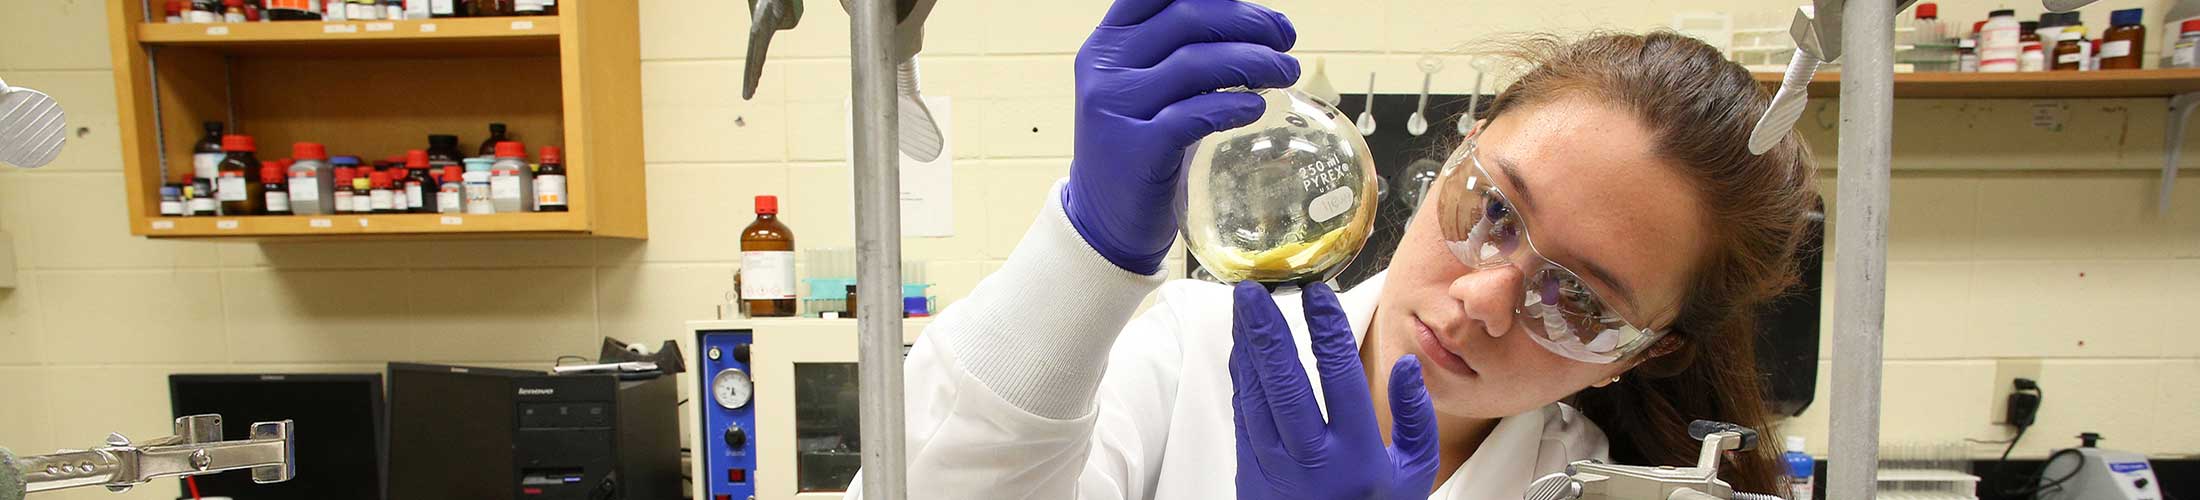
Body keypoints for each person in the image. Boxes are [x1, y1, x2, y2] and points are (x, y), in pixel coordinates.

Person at [843, 0, 1818, 497]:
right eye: (1495, 209)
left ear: (1640, 353)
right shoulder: (1190, 352)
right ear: (1448, 157)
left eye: (1580, 303)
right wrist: (1084, 250)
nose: (1484, 295)